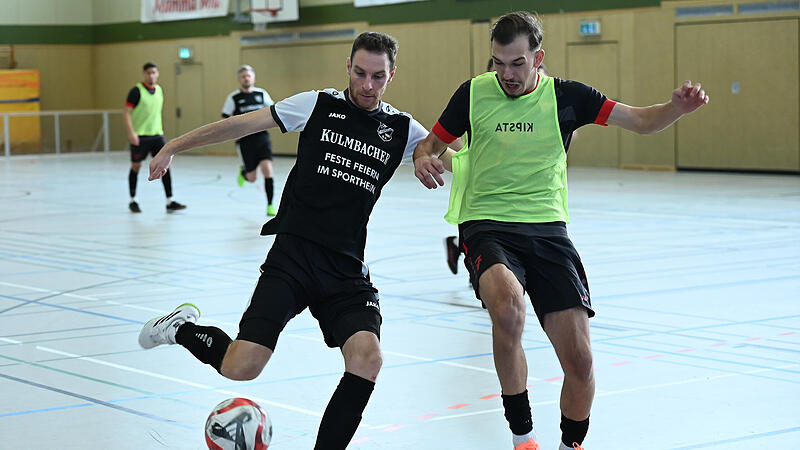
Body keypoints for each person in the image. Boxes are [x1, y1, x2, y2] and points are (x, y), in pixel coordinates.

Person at [414, 11, 708, 450]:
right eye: (498, 62)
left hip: (548, 231)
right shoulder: (472, 94)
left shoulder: (569, 98)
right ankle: (523, 437)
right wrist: (423, 159)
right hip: (487, 225)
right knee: (509, 310)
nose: (506, 74)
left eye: (517, 63)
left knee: (582, 364)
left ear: (538, 58)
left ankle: (571, 444)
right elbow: (431, 142)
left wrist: (676, 109)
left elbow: (643, 121)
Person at [137, 32, 435, 449]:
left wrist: (425, 153)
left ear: (392, 75)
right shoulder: (317, 105)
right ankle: (181, 329)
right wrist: (174, 146)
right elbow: (240, 125)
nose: (368, 85)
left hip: (345, 269)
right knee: (243, 367)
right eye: (361, 73)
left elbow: (450, 153)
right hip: (293, 257)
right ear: (347, 66)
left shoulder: (402, 128)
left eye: (378, 77)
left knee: (368, 358)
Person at [123, 62, 187, 213]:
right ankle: (133, 200)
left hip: (157, 135)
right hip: (141, 136)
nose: (151, 75)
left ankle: (169, 201)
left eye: (153, 72)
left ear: (157, 74)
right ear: (144, 74)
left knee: (165, 165)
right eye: (148, 73)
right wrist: (131, 133)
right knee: (136, 166)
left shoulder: (159, 90)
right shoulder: (136, 91)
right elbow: (126, 112)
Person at [222, 65, 279, 216]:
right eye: (243, 76)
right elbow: (225, 118)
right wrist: (234, 133)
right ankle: (244, 174)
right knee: (252, 178)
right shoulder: (233, 98)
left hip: (262, 138)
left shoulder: (262, 94)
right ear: (239, 79)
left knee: (268, 169)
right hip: (245, 141)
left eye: (248, 75)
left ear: (253, 78)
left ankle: (270, 205)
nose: (246, 78)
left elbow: (273, 111)